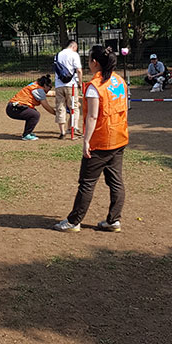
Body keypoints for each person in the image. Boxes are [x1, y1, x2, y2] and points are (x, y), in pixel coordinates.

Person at [55, 45, 129, 232]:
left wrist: (86, 141)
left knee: (87, 183)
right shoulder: (120, 80)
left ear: (95, 63)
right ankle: (114, 220)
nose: (87, 63)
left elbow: (93, 117)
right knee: (116, 181)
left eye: (88, 59)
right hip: (119, 138)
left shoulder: (95, 86)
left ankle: (73, 221)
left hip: (101, 141)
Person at [6, 75, 55, 140]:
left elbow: (51, 93)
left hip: (13, 106)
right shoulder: (39, 90)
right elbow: (46, 106)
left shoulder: (35, 85)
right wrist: (56, 113)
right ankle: (26, 135)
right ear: (45, 85)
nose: (50, 89)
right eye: (50, 87)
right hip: (14, 108)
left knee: (32, 112)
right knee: (35, 115)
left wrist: (63, 93)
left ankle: (28, 132)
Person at [54, 39, 83, 139]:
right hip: (72, 84)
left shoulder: (57, 55)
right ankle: (74, 127)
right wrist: (80, 83)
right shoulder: (74, 55)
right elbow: (79, 70)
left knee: (60, 107)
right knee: (74, 107)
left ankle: (62, 132)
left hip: (59, 84)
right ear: (74, 46)